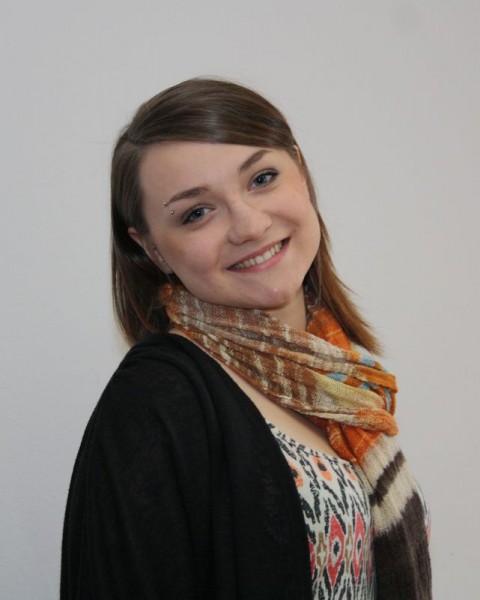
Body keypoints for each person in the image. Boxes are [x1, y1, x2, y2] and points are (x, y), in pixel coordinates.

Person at [61, 78, 432, 599]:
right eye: (196, 212)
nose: (249, 226)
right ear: (152, 249)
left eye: (261, 178)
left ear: (300, 171)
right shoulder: (156, 401)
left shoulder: (341, 379)